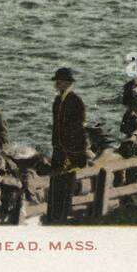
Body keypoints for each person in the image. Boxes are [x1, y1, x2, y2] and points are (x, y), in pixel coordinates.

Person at [47, 66, 87, 223]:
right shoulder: (58, 101)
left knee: (67, 183)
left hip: (71, 150)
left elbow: (78, 129)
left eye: (58, 82)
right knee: (56, 182)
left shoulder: (76, 101)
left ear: (65, 83)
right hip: (58, 149)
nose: (56, 85)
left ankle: (62, 216)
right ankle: (54, 215)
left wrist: (74, 153)